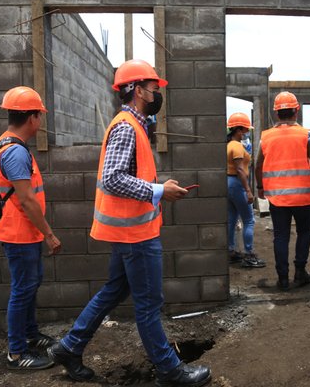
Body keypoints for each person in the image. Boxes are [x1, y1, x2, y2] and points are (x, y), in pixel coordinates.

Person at [48, 59, 211, 387]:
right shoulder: (126, 126)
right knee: (149, 304)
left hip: (129, 231)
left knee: (114, 290)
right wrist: (159, 190)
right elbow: (112, 179)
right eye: (153, 89)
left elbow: (126, 177)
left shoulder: (134, 125)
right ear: (137, 91)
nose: (156, 95)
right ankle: (170, 371)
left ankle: (69, 347)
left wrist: (159, 187)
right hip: (135, 235)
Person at [0, 86, 61, 370]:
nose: (40, 121)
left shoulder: (9, 144)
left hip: (24, 232)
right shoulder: (14, 153)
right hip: (19, 233)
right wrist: (50, 235)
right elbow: (28, 201)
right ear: (31, 118)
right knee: (23, 289)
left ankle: (30, 335)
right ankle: (16, 354)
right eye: (39, 115)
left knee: (30, 285)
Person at [255, 92, 310, 291]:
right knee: (304, 232)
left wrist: (261, 187)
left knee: (281, 236)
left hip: (277, 198)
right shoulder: (306, 134)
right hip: (304, 196)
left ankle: (283, 278)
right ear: (296, 110)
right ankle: (300, 273)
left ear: (276, 113)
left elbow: (258, 165)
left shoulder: (266, 137)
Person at [225, 112, 264, 268]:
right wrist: (248, 190)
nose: (246, 133)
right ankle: (249, 255)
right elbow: (240, 170)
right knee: (249, 220)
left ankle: (231, 251)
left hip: (229, 183)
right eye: (245, 130)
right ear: (239, 130)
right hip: (236, 183)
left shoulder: (229, 145)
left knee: (232, 218)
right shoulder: (236, 146)